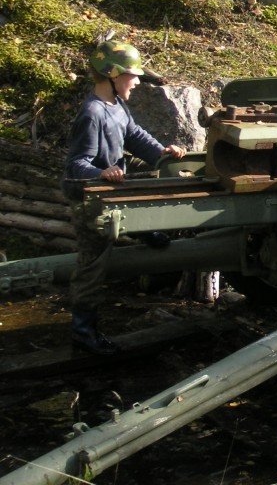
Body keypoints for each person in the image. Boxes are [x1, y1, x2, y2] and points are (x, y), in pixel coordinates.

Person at [62, 40, 186, 354]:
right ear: (112, 76)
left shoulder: (116, 106)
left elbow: (133, 134)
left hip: (110, 189)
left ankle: (143, 230)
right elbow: (76, 164)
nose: (137, 81)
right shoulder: (92, 113)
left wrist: (162, 154)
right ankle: (83, 332)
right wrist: (100, 173)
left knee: (152, 181)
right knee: (93, 266)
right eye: (132, 76)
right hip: (89, 200)